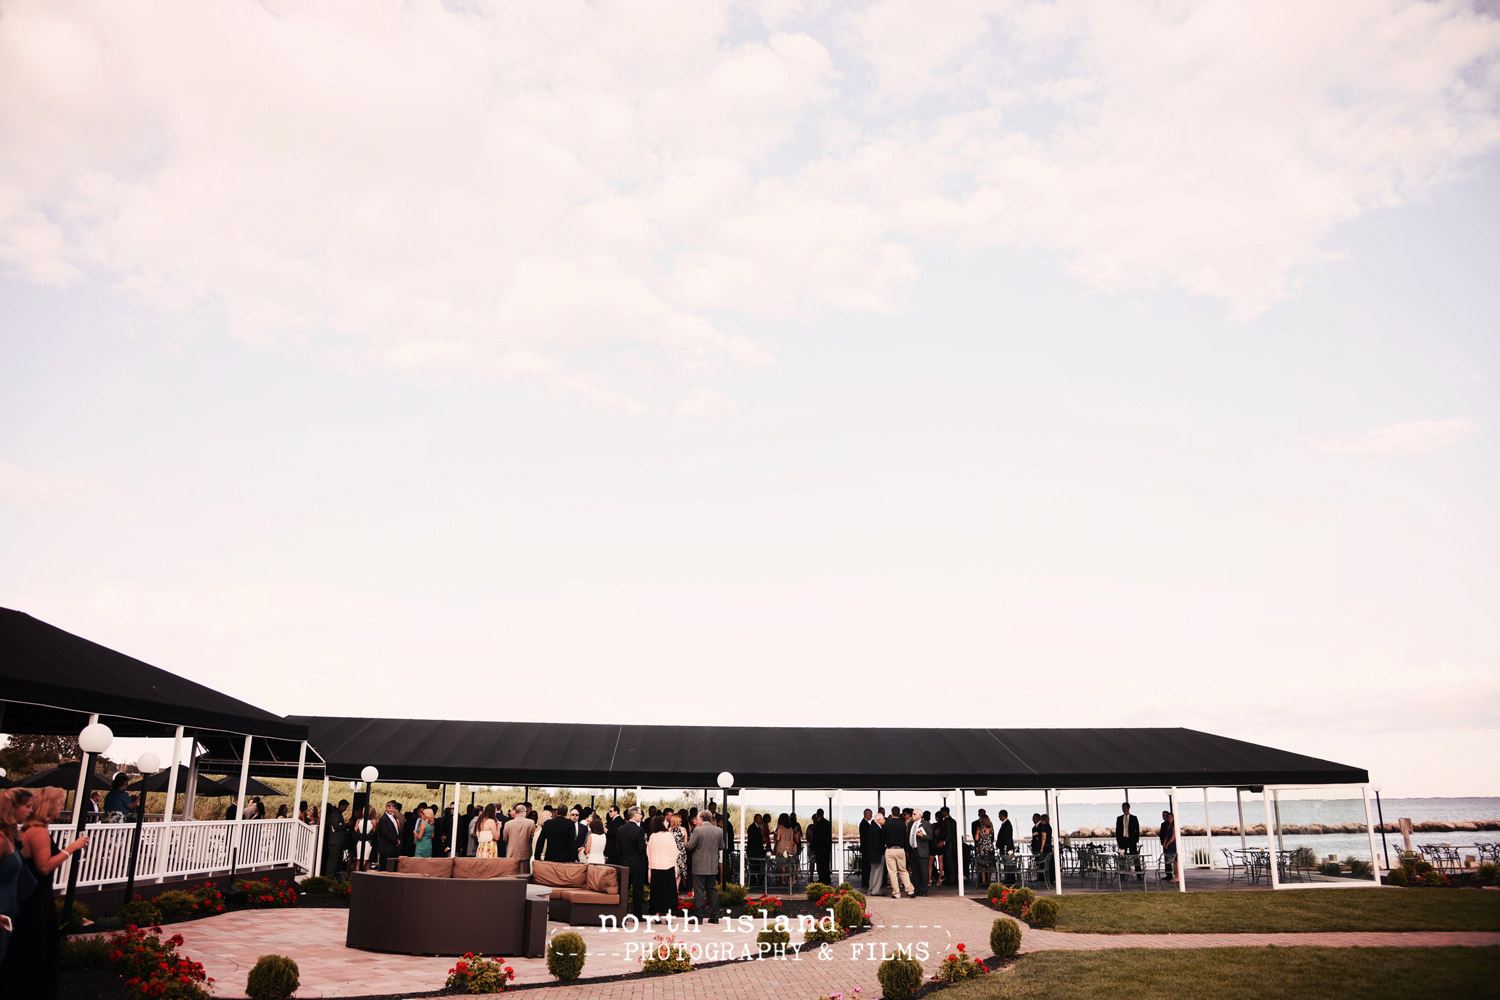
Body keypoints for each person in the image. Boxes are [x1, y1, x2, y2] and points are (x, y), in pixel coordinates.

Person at [5, 786, 88, 997]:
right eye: (59, 804)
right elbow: (44, 867)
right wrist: (71, 848)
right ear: (49, 806)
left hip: (30, 896)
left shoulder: (28, 829)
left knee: (27, 948)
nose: (61, 807)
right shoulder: (38, 832)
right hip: (36, 898)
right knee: (39, 948)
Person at [0, 788, 36, 969]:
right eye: (28, 806)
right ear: (12, 808)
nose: (31, 811)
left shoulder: (9, 837)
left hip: (8, 911)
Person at [686, 811, 723, 922]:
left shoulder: (698, 830)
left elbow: (690, 846)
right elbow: (722, 846)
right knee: (712, 890)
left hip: (699, 865)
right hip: (712, 865)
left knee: (699, 891)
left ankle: (699, 917)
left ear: (701, 818)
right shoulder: (719, 831)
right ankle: (714, 917)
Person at [616, 807, 647, 918]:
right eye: (640, 814)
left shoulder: (621, 829)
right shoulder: (639, 830)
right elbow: (641, 848)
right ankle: (637, 915)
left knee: (624, 890)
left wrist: (623, 858)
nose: (642, 815)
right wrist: (645, 845)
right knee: (637, 892)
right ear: (634, 815)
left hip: (625, 863)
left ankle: (621, 913)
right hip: (637, 864)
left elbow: (618, 847)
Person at [646, 815, 679, 915]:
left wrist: (650, 869)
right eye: (665, 821)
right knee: (669, 892)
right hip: (668, 866)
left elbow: (649, 852)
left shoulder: (652, 836)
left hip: (655, 866)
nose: (667, 823)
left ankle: (657, 915)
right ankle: (668, 915)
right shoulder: (669, 835)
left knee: (656, 892)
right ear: (662, 823)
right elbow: (675, 851)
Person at [883, 806, 914, 899]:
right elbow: (906, 838)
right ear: (899, 813)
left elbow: (883, 837)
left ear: (891, 813)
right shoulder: (903, 824)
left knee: (892, 872)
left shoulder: (887, 824)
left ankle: (896, 893)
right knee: (903, 870)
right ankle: (910, 890)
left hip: (890, 849)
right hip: (900, 849)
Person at [1116, 802, 1141, 881]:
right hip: (1123, 840)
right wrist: (1118, 840)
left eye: (1125, 808)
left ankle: (1139, 874)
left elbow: (1137, 830)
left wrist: (1136, 840)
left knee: (1135, 857)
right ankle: (1122, 874)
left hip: (1131, 840)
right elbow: (1118, 830)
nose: (1124, 809)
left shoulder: (1134, 818)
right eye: (1123, 808)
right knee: (1122, 857)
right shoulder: (1119, 818)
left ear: (1128, 808)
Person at [323, 800, 349, 877]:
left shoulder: (337, 814)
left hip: (336, 842)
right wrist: (346, 825)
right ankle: (329, 876)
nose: (346, 809)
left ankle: (331, 875)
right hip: (335, 842)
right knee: (333, 860)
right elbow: (336, 827)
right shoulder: (336, 814)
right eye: (345, 807)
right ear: (342, 806)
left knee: (335, 859)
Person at [375, 800, 403, 868]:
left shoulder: (394, 817)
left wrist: (398, 840)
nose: (391, 809)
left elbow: (396, 830)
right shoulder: (383, 819)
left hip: (393, 846)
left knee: (391, 866)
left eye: (392, 808)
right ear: (386, 808)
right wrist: (395, 841)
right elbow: (385, 833)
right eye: (389, 808)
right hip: (386, 846)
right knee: (384, 866)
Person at [910, 810, 932, 896]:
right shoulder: (911, 824)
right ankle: (916, 889)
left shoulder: (926, 824)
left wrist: (923, 836)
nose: (913, 815)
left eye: (914, 814)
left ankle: (924, 890)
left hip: (922, 851)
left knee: (923, 871)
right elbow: (908, 835)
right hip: (913, 850)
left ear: (920, 815)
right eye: (912, 814)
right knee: (915, 872)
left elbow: (930, 836)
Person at [807, 809, 832, 885]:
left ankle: (822, 879)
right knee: (826, 863)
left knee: (820, 864)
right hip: (827, 847)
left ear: (817, 815)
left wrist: (814, 846)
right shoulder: (827, 823)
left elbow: (816, 836)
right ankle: (827, 878)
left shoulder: (818, 824)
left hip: (820, 848)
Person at [865, 812, 886, 895]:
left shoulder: (872, 827)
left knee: (873, 873)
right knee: (878, 873)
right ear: (878, 820)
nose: (884, 820)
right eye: (883, 819)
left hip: (872, 854)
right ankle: (876, 890)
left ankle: (871, 889)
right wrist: (883, 848)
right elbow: (876, 843)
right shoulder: (878, 829)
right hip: (877, 854)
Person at [973, 814, 996, 885]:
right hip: (990, 848)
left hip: (982, 848)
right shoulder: (991, 828)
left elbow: (976, 838)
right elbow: (992, 837)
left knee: (982, 866)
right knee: (989, 865)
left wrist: (977, 833)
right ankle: (989, 880)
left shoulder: (980, 828)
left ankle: (983, 880)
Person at [669, 811, 689, 891]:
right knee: (680, 872)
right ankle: (676, 889)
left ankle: (672, 889)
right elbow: (686, 843)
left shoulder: (669, 830)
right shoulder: (683, 829)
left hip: (672, 853)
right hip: (681, 853)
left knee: (673, 871)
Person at [996, 809, 1016, 884]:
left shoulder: (1007, 824)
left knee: (1008, 863)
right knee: (1006, 863)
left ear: (1002, 815)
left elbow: (1005, 836)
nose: (999, 817)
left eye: (999, 815)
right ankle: (1008, 878)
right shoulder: (1005, 824)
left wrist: (1000, 843)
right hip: (1004, 846)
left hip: (1006, 847)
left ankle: (1010, 879)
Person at [352, 806, 374, 871]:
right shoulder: (359, 820)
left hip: (368, 842)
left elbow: (374, 833)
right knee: (358, 860)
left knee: (366, 860)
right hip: (360, 841)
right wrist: (358, 837)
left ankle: (363, 875)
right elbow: (355, 830)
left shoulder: (373, 821)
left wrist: (367, 837)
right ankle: (357, 875)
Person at [1160, 810, 1178, 881]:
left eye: (1166, 815)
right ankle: (1168, 874)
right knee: (1167, 859)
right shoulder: (1165, 825)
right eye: (1163, 815)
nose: (1164, 817)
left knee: (1175, 860)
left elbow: (1173, 836)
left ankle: (1177, 875)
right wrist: (1164, 843)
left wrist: (1167, 843)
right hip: (1166, 844)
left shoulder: (1174, 826)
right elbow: (1165, 835)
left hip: (1172, 844)